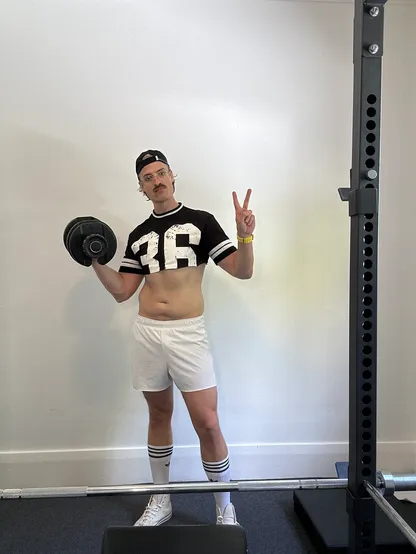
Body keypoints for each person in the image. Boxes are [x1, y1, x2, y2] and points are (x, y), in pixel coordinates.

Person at [91, 149, 255, 527]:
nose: (157, 181)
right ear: (142, 188)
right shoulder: (138, 235)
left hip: (187, 334)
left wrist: (245, 238)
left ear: (172, 176)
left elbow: (241, 272)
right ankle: (161, 498)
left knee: (208, 422)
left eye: (161, 172)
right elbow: (122, 291)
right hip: (148, 333)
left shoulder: (201, 222)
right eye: (148, 177)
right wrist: (94, 259)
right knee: (159, 414)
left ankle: (223, 506)